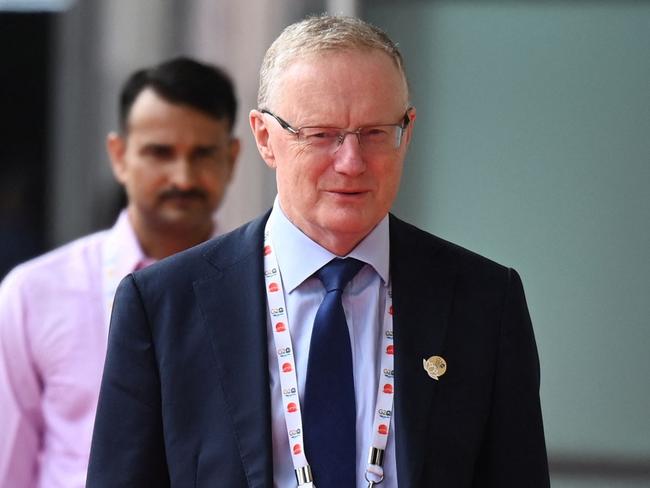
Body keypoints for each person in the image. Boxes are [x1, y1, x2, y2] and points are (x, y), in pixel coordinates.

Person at [87, 16, 549, 488]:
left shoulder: (485, 301)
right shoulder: (163, 305)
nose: (350, 163)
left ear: (407, 132)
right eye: (321, 134)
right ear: (265, 138)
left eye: (374, 133)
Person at [0, 56, 240, 487]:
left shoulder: (265, 289)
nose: (182, 177)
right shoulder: (33, 295)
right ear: (119, 155)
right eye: (160, 153)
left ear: (233, 158)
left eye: (203, 154)